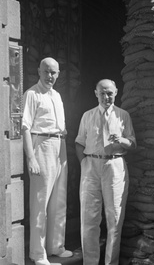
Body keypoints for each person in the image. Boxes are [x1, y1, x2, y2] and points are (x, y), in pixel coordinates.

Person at [75, 79, 136, 265]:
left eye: (109, 93)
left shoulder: (123, 115)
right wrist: (84, 163)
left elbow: (133, 144)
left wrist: (122, 140)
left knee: (115, 219)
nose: (106, 97)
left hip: (114, 167)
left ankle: (111, 262)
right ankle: (90, 262)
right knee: (89, 219)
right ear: (96, 93)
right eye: (102, 93)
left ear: (116, 92)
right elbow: (79, 143)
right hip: (91, 167)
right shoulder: (87, 115)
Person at [22, 57, 73, 265]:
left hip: (59, 145)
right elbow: (25, 127)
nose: (50, 76)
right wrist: (31, 157)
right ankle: (38, 253)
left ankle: (55, 246)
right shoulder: (32, 94)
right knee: (40, 201)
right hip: (41, 146)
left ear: (58, 74)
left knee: (59, 198)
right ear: (39, 72)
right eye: (46, 72)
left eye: (54, 72)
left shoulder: (57, 96)